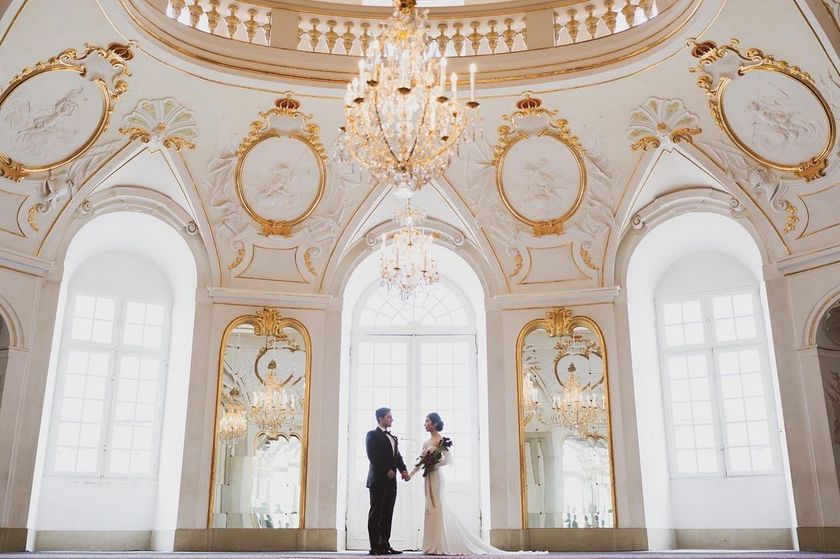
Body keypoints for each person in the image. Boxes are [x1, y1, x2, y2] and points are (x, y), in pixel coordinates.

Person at [408, 412, 505, 555]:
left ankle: (439, 545)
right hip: (427, 477)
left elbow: (447, 460)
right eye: (425, 421)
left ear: (434, 424)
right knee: (429, 508)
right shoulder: (426, 442)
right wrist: (410, 474)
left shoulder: (441, 441)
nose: (425, 424)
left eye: (427, 421)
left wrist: (433, 465)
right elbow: (420, 461)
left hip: (436, 478)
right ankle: (430, 545)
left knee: (437, 507)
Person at [366, 407, 410, 555]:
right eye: (389, 417)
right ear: (380, 418)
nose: (392, 419)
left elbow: (397, 457)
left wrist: (403, 470)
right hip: (378, 480)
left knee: (388, 513)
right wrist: (386, 470)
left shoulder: (393, 438)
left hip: (391, 482)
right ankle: (375, 547)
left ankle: (385, 545)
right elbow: (373, 456)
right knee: (376, 512)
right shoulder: (372, 435)